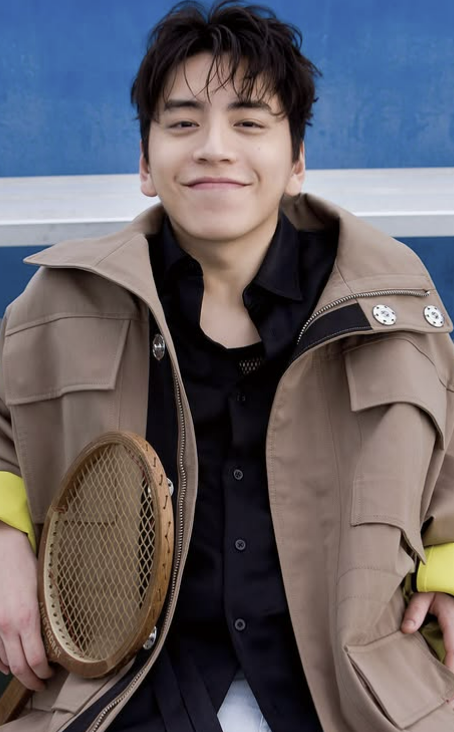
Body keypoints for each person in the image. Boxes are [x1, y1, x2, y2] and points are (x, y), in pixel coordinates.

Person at [1, 2, 454, 730]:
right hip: (125, 693)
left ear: (296, 161)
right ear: (145, 163)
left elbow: (447, 449)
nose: (214, 148)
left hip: (350, 692)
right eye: (183, 124)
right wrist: (4, 541)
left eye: (249, 122)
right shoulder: (61, 304)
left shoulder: (390, 305)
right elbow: (6, 429)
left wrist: (449, 566)